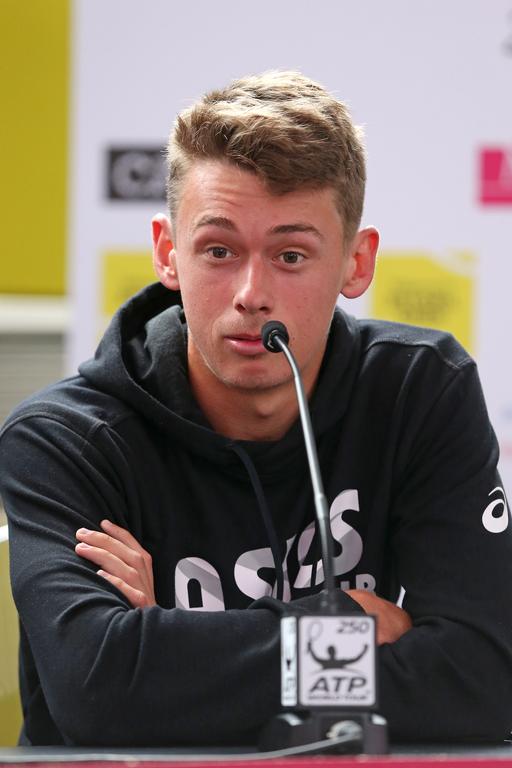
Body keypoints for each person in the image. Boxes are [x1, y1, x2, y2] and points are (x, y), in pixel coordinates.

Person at [1, 70, 511, 748]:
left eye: (291, 255)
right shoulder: (64, 441)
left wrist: (172, 655)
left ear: (356, 264)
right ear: (167, 253)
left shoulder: (418, 392)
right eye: (218, 250)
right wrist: (334, 624)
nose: (251, 293)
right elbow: (99, 687)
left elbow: (484, 676)